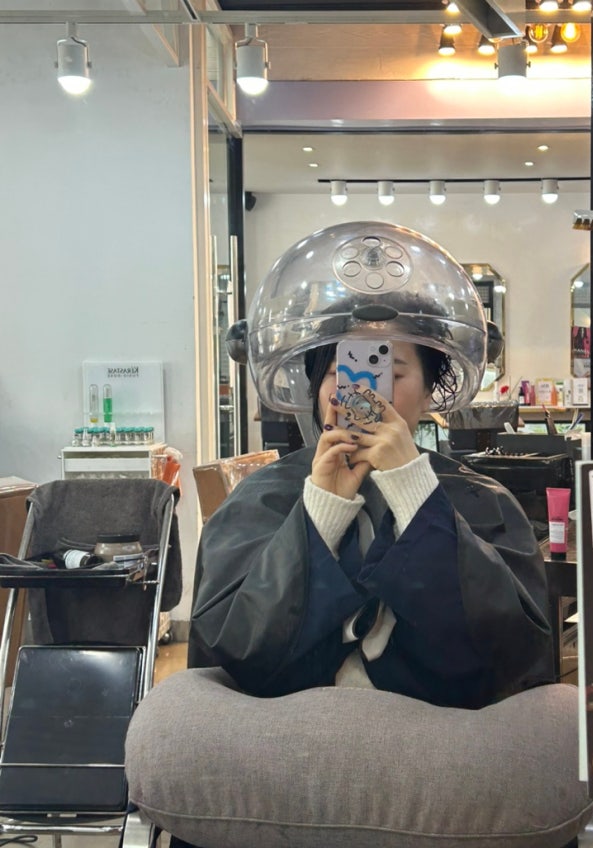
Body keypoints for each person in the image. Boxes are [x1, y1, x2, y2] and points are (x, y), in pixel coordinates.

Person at [187, 221, 554, 712]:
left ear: (429, 392)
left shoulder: (482, 502)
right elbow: (236, 652)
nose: (362, 393)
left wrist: (414, 494)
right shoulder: (260, 498)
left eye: (391, 373)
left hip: (438, 744)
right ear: (316, 390)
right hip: (285, 742)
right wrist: (321, 513)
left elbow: (505, 654)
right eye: (338, 373)